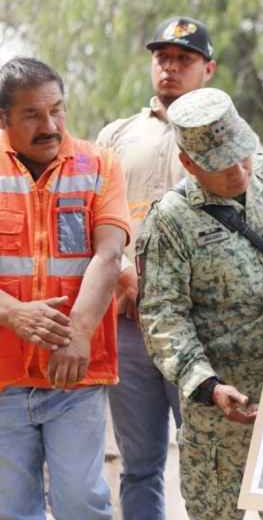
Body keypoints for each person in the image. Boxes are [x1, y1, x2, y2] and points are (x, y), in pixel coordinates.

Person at [136, 87, 263, 520]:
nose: (239, 171)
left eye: (243, 155)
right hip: (220, 421)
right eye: (221, 165)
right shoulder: (169, 219)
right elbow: (163, 317)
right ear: (187, 163)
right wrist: (207, 385)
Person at [95, 14, 217, 520]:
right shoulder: (117, 134)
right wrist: (123, 271)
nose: (170, 68)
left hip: (198, 325)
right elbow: (90, 214)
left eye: (183, 59)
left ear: (207, 69)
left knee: (206, 458)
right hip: (127, 324)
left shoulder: (227, 134)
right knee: (140, 465)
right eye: (162, 58)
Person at [0, 57, 130, 519]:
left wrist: (76, 336)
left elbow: (109, 255)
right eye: (32, 114)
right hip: (4, 379)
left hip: (76, 374)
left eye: (57, 110)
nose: (50, 124)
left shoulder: (100, 165)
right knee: (13, 509)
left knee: (81, 502)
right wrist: (13, 312)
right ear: (4, 119)